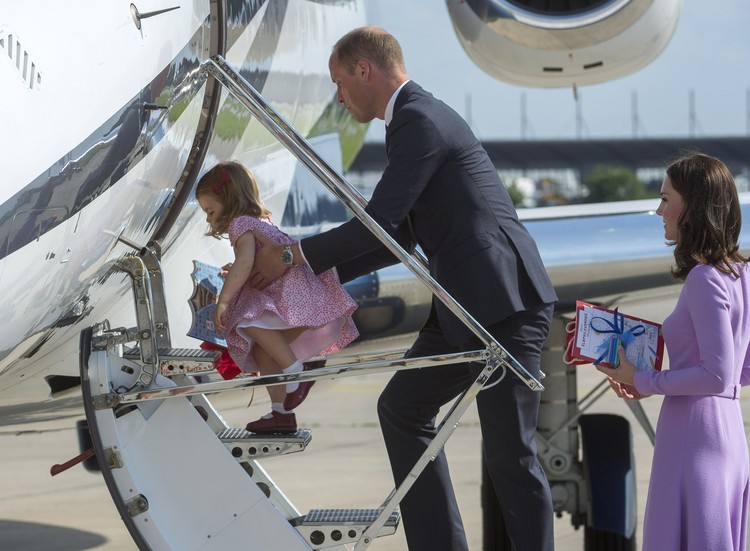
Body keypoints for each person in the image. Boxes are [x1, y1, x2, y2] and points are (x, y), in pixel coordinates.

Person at [249, 26, 558, 551]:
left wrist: (289, 255)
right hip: (465, 309)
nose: (338, 97)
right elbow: (400, 238)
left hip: (504, 305)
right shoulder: (409, 125)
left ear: (364, 70)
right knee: (403, 408)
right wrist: (300, 278)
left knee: (511, 457)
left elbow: (384, 222)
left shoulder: (419, 120)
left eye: (339, 83)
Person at [596, 153, 750, 550]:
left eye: (666, 199)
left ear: (693, 206)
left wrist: (643, 378)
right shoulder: (741, 274)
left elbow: (716, 375)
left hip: (693, 434)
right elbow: (736, 372)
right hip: (729, 432)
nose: (659, 210)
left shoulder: (703, 278)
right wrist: (652, 383)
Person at [195, 161, 359, 434]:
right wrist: (234, 269)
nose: (209, 220)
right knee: (261, 352)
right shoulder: (261, 220)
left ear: (229, 200)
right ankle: (281, 413)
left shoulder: (239, 224)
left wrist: (223, 301)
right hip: (302, 295)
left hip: (288, 296)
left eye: (210, 211)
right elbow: (249, 261)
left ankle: (297, 370)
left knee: (246, 321)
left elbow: (246, 262)